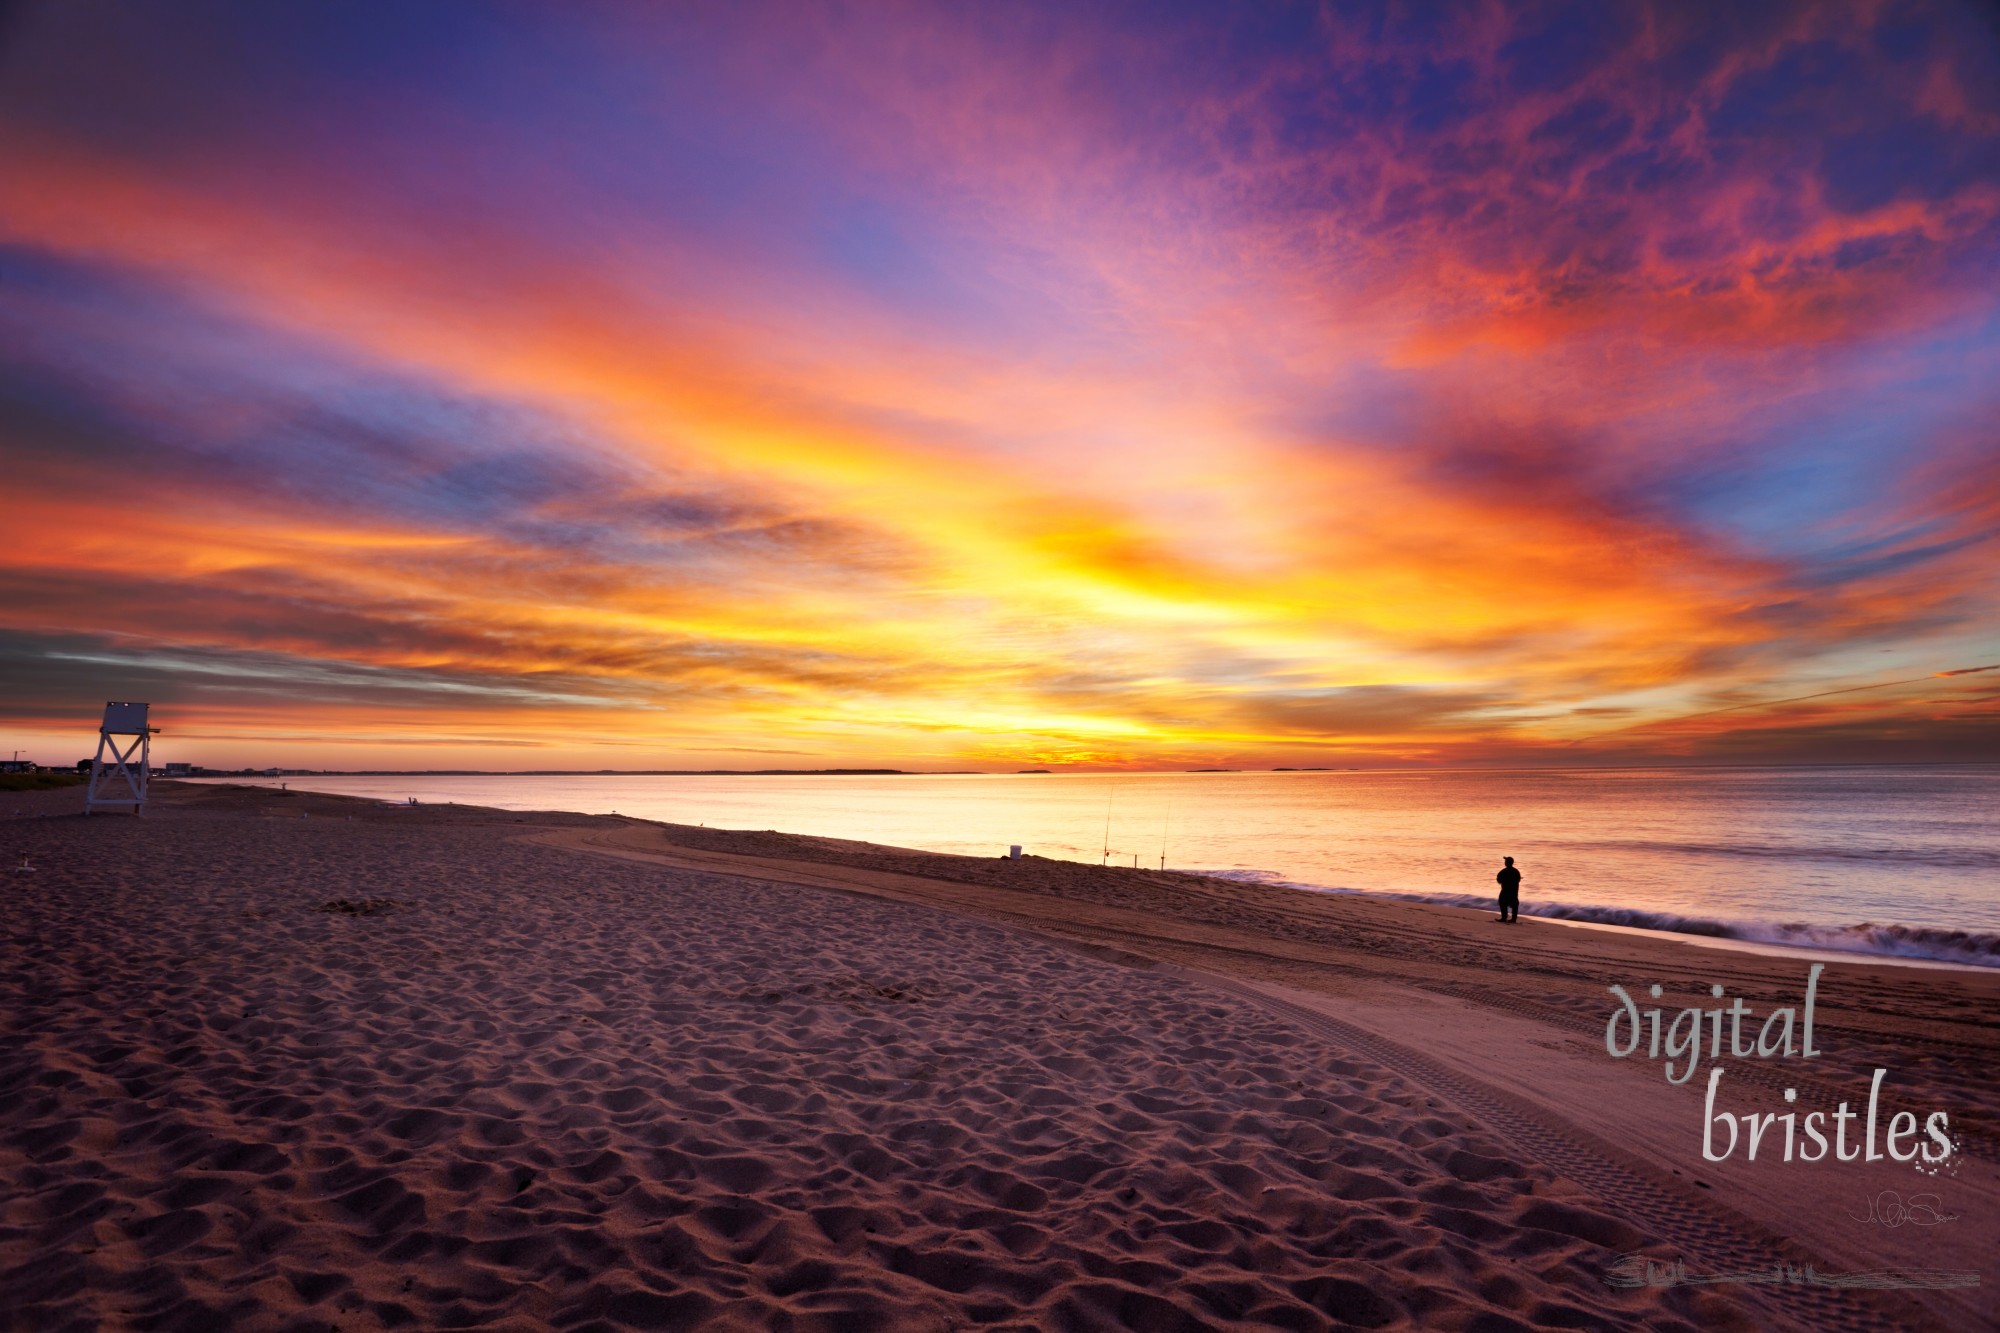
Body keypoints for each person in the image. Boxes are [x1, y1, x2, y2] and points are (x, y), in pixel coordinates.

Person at [1495, 856, 1521, 923]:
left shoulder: (1504, 871)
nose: (1505, 862)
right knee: (1514, 904)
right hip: (1514, 891)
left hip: (1505, 891)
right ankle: (1513, 919)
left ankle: (1504, 918)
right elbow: (1518, 879)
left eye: (1506, 861)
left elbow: (1499, 879)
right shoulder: (1516, 871)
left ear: (1507, 863)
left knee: (1502, 902)